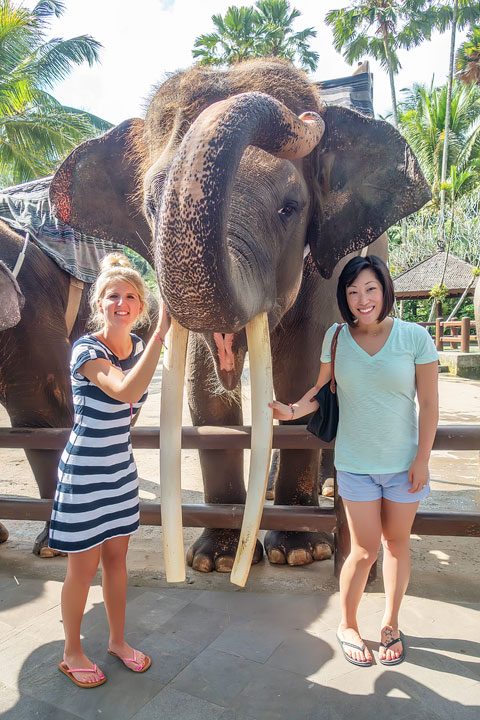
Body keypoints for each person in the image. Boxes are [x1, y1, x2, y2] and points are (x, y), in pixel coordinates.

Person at [270, 255, 438, 667]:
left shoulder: (415, 337)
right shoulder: (336, 337)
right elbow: (322, 390)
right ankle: (347, 624)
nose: (362, 299)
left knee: (397, 545)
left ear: (384, 291)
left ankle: (390, 624)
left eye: (370, 289)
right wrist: (292, 411)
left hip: (403, 466)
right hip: (355, 464)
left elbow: (430, 405)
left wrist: (422, 460)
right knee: (363, 550)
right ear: (345, 298)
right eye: (353, 292)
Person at [49, 253, 170, 688]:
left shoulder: (136, 348)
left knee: (118, 560)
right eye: (113, 296)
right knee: (82, 568)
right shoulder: (87, 349)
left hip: (119, 471)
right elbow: (124, 390)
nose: (122, 303)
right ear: (99, 303)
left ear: (141, 306)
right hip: (84, 473)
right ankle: (71, 651)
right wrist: (161, 334)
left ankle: (118, 641)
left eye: (131, 297)